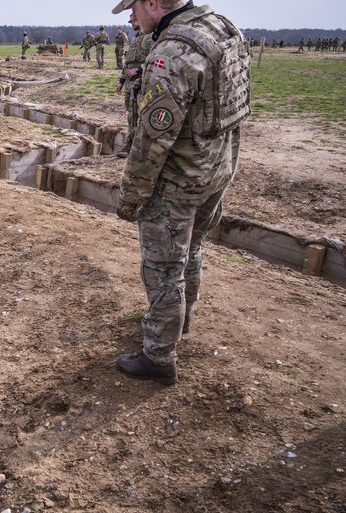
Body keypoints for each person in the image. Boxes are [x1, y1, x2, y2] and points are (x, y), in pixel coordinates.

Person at [112, 0, 251, 385]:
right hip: (218, 169)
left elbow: (153, 139)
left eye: (134, 7)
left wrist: (131, 195)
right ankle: (181, 321)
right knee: (193, 250)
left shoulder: (173, 52)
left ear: (153, 3)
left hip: (179, 179)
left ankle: (158, 355)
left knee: (163, 268)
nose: (130, 16)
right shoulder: (225, 28)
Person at [115, 12, 153, 157]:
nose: (131, 23)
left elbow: (156, 59)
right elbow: (127, 63)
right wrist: (121, 82)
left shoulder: (152, 38)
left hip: (142, 84)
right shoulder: (135, 39)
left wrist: (139, 69)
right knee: (131, 115)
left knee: (140, 116)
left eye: (133, 20)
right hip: (130, 85)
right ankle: (131, 145)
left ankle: (133, 146)